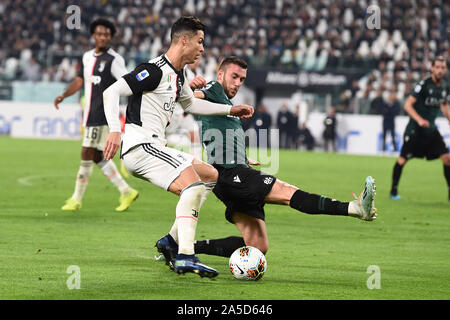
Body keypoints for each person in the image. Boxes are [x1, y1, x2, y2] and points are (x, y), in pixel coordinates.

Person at [154, 56, 377, 261]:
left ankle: (185, 247)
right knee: (288, 192)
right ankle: (354, 208)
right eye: (234, 76)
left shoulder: (224, 105)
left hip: (230, 175)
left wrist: (243, 157)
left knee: (258, 246)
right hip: (231, 174)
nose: (238, 82)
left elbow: (218, 135)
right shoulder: (213, 88)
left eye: (242, 79)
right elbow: (189, 100)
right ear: (220, 74)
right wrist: (189, 88)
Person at [102, 17, 254, 278]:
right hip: (140, 146)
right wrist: (115, 130)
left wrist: (231, 109)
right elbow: (111, 92)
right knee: (193, 185)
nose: (203, 49)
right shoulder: (154, 70)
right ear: (184, 40)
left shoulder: (179, 74)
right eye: (200, 41)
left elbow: (191, 105)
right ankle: (185, 255)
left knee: (210, 175)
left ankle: (170, 242)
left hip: (153, 146)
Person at [54, 18, 138, 212]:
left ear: (110, 37)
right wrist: (64, 95)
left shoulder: (114, 59)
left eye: (106, 34)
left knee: (86, 153)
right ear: (93, 35)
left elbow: (129, 82)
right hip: (90, 113)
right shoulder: (87, 57)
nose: (102, 37)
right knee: (97, 156)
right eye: (99, 33)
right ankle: (126, 191)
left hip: (102, 114)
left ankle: (76, 199)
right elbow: (79, 80)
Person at [390, 56, 450, 201]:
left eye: (443, 67)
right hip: (415, 130)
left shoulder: (445, 86)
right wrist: (419, 120)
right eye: (437, 67)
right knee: (402, 160)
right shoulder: (423, 84)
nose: (440, 70)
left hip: (431, 130)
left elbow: (444, 105)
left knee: (447, 158)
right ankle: (393, 190)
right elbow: (407, 105)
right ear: (432, 68)